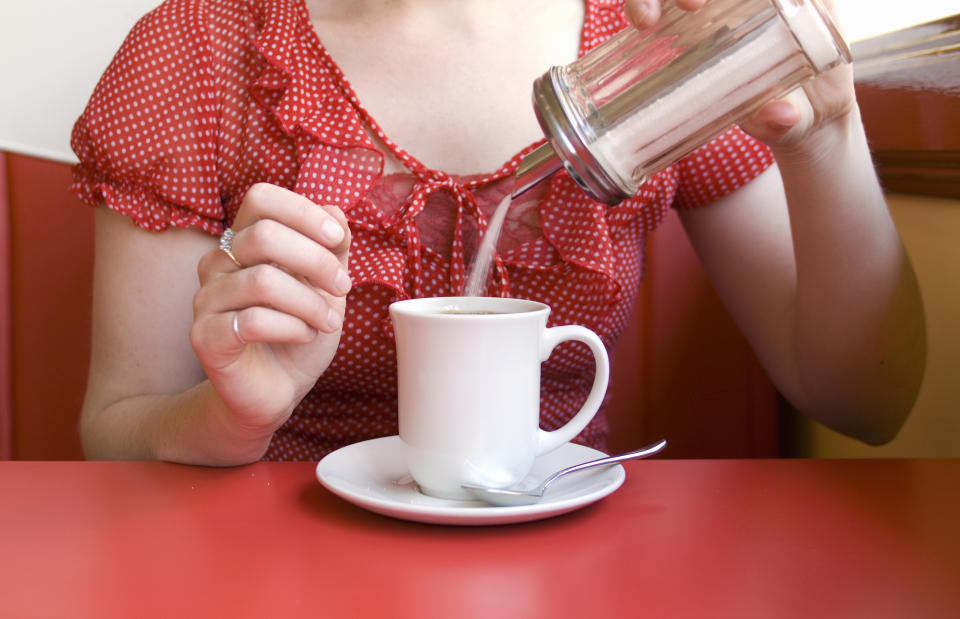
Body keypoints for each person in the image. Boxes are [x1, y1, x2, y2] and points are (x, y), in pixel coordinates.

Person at [71, 0, 926, 465]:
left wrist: (824, 134)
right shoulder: (200, 44)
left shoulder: (654, 37)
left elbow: (866, 400)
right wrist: (229, 417)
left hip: (562, 562)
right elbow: (117, 427)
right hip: (272, 563)